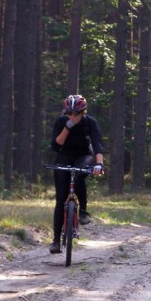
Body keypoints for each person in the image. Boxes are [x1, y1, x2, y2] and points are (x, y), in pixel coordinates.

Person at [49, 94, 104, 254]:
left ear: (83, 112)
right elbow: (55, 145)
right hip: (64, 156)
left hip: (83, 156)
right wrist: (68, 126)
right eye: (70, 113)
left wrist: (99, 164)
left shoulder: (90, 123)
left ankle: (83, 211)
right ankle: (55, 241)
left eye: (77, 113)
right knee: (60, 199)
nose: (73, 116)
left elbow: (97, 144)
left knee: (79, 174)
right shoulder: (61, 122)